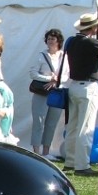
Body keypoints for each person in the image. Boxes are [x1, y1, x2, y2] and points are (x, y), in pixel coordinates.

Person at [63, 12, 98, 175]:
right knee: (86, 127)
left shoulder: (71, 42)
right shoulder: (91, 42)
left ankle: (69, 161)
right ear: (93, 27)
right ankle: (82, 165)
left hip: (74, 85)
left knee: (72, 125)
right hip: (87, 86)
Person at [27, 28, 69, 158]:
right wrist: (48, 79)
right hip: (42, 92)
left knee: (51, 123)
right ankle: (36, 151)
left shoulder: (64, 57)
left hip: (56, 92)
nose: (50, 41)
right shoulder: (41, 55)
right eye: (49, 38)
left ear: (58, 41)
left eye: (53, 38)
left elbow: (67, 74)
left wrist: (56, 80)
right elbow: (33, 73)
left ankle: (46, 151)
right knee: (38, 122)